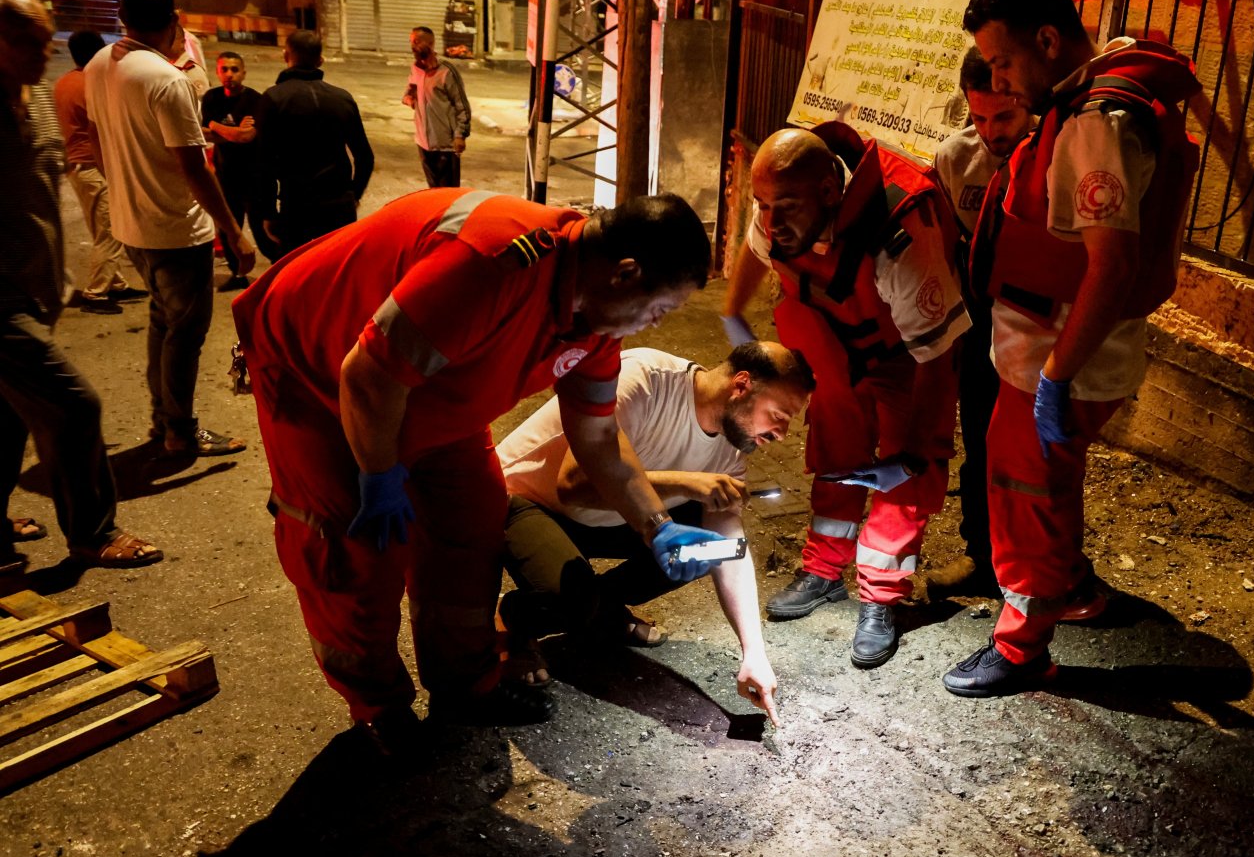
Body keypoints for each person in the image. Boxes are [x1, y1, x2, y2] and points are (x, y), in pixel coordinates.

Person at [232, 187, 724, 754]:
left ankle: (465, 684)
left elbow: (598, 439)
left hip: (427, 382)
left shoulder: (592, 324)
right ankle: (378, 708)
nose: (656, 327)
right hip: (317, 371)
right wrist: (378, 474)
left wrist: (655, 524)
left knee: (471, 521)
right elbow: (369, 376)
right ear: (625, 274)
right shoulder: (490, 264)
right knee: (352, 550)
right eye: (661, 309)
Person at [942, 0, 1201, 697]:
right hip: (1044, 358)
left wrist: (1054, 378)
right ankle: (1074, 590)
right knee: (1046, 489)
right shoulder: (1089, 90)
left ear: (1048, 40)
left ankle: (1022, 647)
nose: (1000, 79)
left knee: (1024, 498)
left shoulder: (1095, 125)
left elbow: (1111, 268)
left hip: (1056, 364)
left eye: (1002, 61)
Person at [722, 123, 968, 670]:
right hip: (836, 344)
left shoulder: (903, 229)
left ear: (830, 193)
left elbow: (936, 356)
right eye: (762, 205)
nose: (769, 221)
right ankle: (825, 568)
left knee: (907, 474)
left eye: (781, 207)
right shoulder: (785, 208)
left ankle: (881, 595)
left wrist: (913, 454)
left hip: (908, 353)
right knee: (836, 446)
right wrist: (734, 321)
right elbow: (756, 251)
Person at [498, 341, 815, 723]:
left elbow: (731, 549)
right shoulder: (645, 379)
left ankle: (603, 609)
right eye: (778, 415)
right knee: (572, 601)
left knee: (706, 548)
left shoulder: (732, 447)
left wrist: (754, 653)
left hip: (607, 518)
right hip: (527, 502)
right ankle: (517, 620)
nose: (781, 433)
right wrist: (686, 484)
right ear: (742, 385)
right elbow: (574, 485)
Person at [0, 0, 162, 574]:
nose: (43, 52)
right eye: (26, 41)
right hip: (0, 304)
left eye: (46, 40)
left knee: (11, 414)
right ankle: (92, 532)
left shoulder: (35, 99)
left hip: (32, 288)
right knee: (73, 406)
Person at [84, 0, 252, 458]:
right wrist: (234, 232)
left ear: (124, 19)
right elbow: (193, 167)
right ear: (175, 22)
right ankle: (179, 429)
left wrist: (123, 188)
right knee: (185, 333)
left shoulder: (98, 64)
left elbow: (95, 140)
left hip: (131, 225)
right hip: (176, 230)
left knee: (163, 323)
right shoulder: (165, 79)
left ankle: (164, 420)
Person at [923, 46, 1035, 600]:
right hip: (981, 323)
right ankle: (984, 559)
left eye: (1005, 117)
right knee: (981, 441)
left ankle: (1043, 567)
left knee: (1040, 450)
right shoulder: (954, 159)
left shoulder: (1057, 155)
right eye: (980, 117)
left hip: (1040, 325)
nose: (992, 132)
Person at [252, 29, 374, 260]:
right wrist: (353, 195)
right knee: (335, 272)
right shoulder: (342, 98)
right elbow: (365, 156)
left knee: (296, 273)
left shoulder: (273, 98)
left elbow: (264, 162)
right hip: (338, 206)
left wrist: (267, 212)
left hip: (297, 206)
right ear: (320, 60)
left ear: (286, 54)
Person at [52, 29, 141, 314]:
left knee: (100, 228)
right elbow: (106, 128)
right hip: (93, 166)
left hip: (76, 167)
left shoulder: (64, 82)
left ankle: (115, 284)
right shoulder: (92, 85)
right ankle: (96, 293)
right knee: (112, 230)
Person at [201, 50, 262, 291]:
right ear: (217, 72)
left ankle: (279, 271)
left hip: (254, 174)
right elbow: (202, 132)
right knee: (229, 229)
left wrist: (217, 127)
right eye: (224, 69)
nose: (229, 74)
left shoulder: (255, 100)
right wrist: (233, 131)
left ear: (244, 72)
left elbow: (247, 136)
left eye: (234, 69)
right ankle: (238, 274)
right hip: (226, 175)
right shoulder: (212, 98)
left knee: (262, 228)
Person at [402, 26, 470, 188]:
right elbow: (407, 95)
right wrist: (410, 98)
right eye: (411, 42)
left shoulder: (447, 71)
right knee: (433, 191)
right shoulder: (415, 69)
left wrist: (460, 135)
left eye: (417, 42)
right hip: (423, 143)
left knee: (448, 195)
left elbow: (462, 105)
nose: (413, 46)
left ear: (430, 44)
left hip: (445, 144)